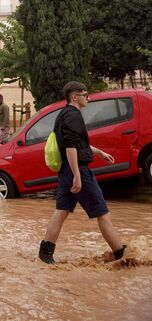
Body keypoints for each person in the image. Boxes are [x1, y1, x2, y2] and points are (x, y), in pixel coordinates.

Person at [38, 81, 126, 264]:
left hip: (65, 171)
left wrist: (100, 152)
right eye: (86, 95)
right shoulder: (73, 116)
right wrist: (77, 175)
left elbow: (78, 143)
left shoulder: (63, 114)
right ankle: (122, 256)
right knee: (102, 213)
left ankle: (45, 254)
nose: (89, 98)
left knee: (61, 211)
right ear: (74, 97)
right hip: (77, 171)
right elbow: (70, 147)